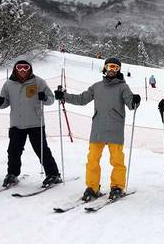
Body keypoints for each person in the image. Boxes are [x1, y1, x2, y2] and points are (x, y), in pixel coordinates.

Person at [55, 57, 140, 202]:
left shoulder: (123, 87)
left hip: (115, 128)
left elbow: (131, 105)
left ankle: (117, 186)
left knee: (117, 161)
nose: (112, 70)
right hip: (98, 128)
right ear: (105, 68)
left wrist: (135, 100)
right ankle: (92, 187)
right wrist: (64, 96)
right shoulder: (96, 86)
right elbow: (82, 99)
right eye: (110, 66)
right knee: (92, 160)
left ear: (119, 70)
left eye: (115, 67)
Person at [0, 59, 61, 188]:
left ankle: (53, 174)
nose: (22, 70)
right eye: (19, 67)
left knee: (41, 150)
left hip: (35, 123)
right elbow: (4, 102)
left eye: (25, 68)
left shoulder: (38, 82)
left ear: (30, 69)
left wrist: (44, 98)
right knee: (13, 151)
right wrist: (0, 102)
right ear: (15, 69)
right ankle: (12, 174)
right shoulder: (9, 84)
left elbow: (51, 99)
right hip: (16, 123)